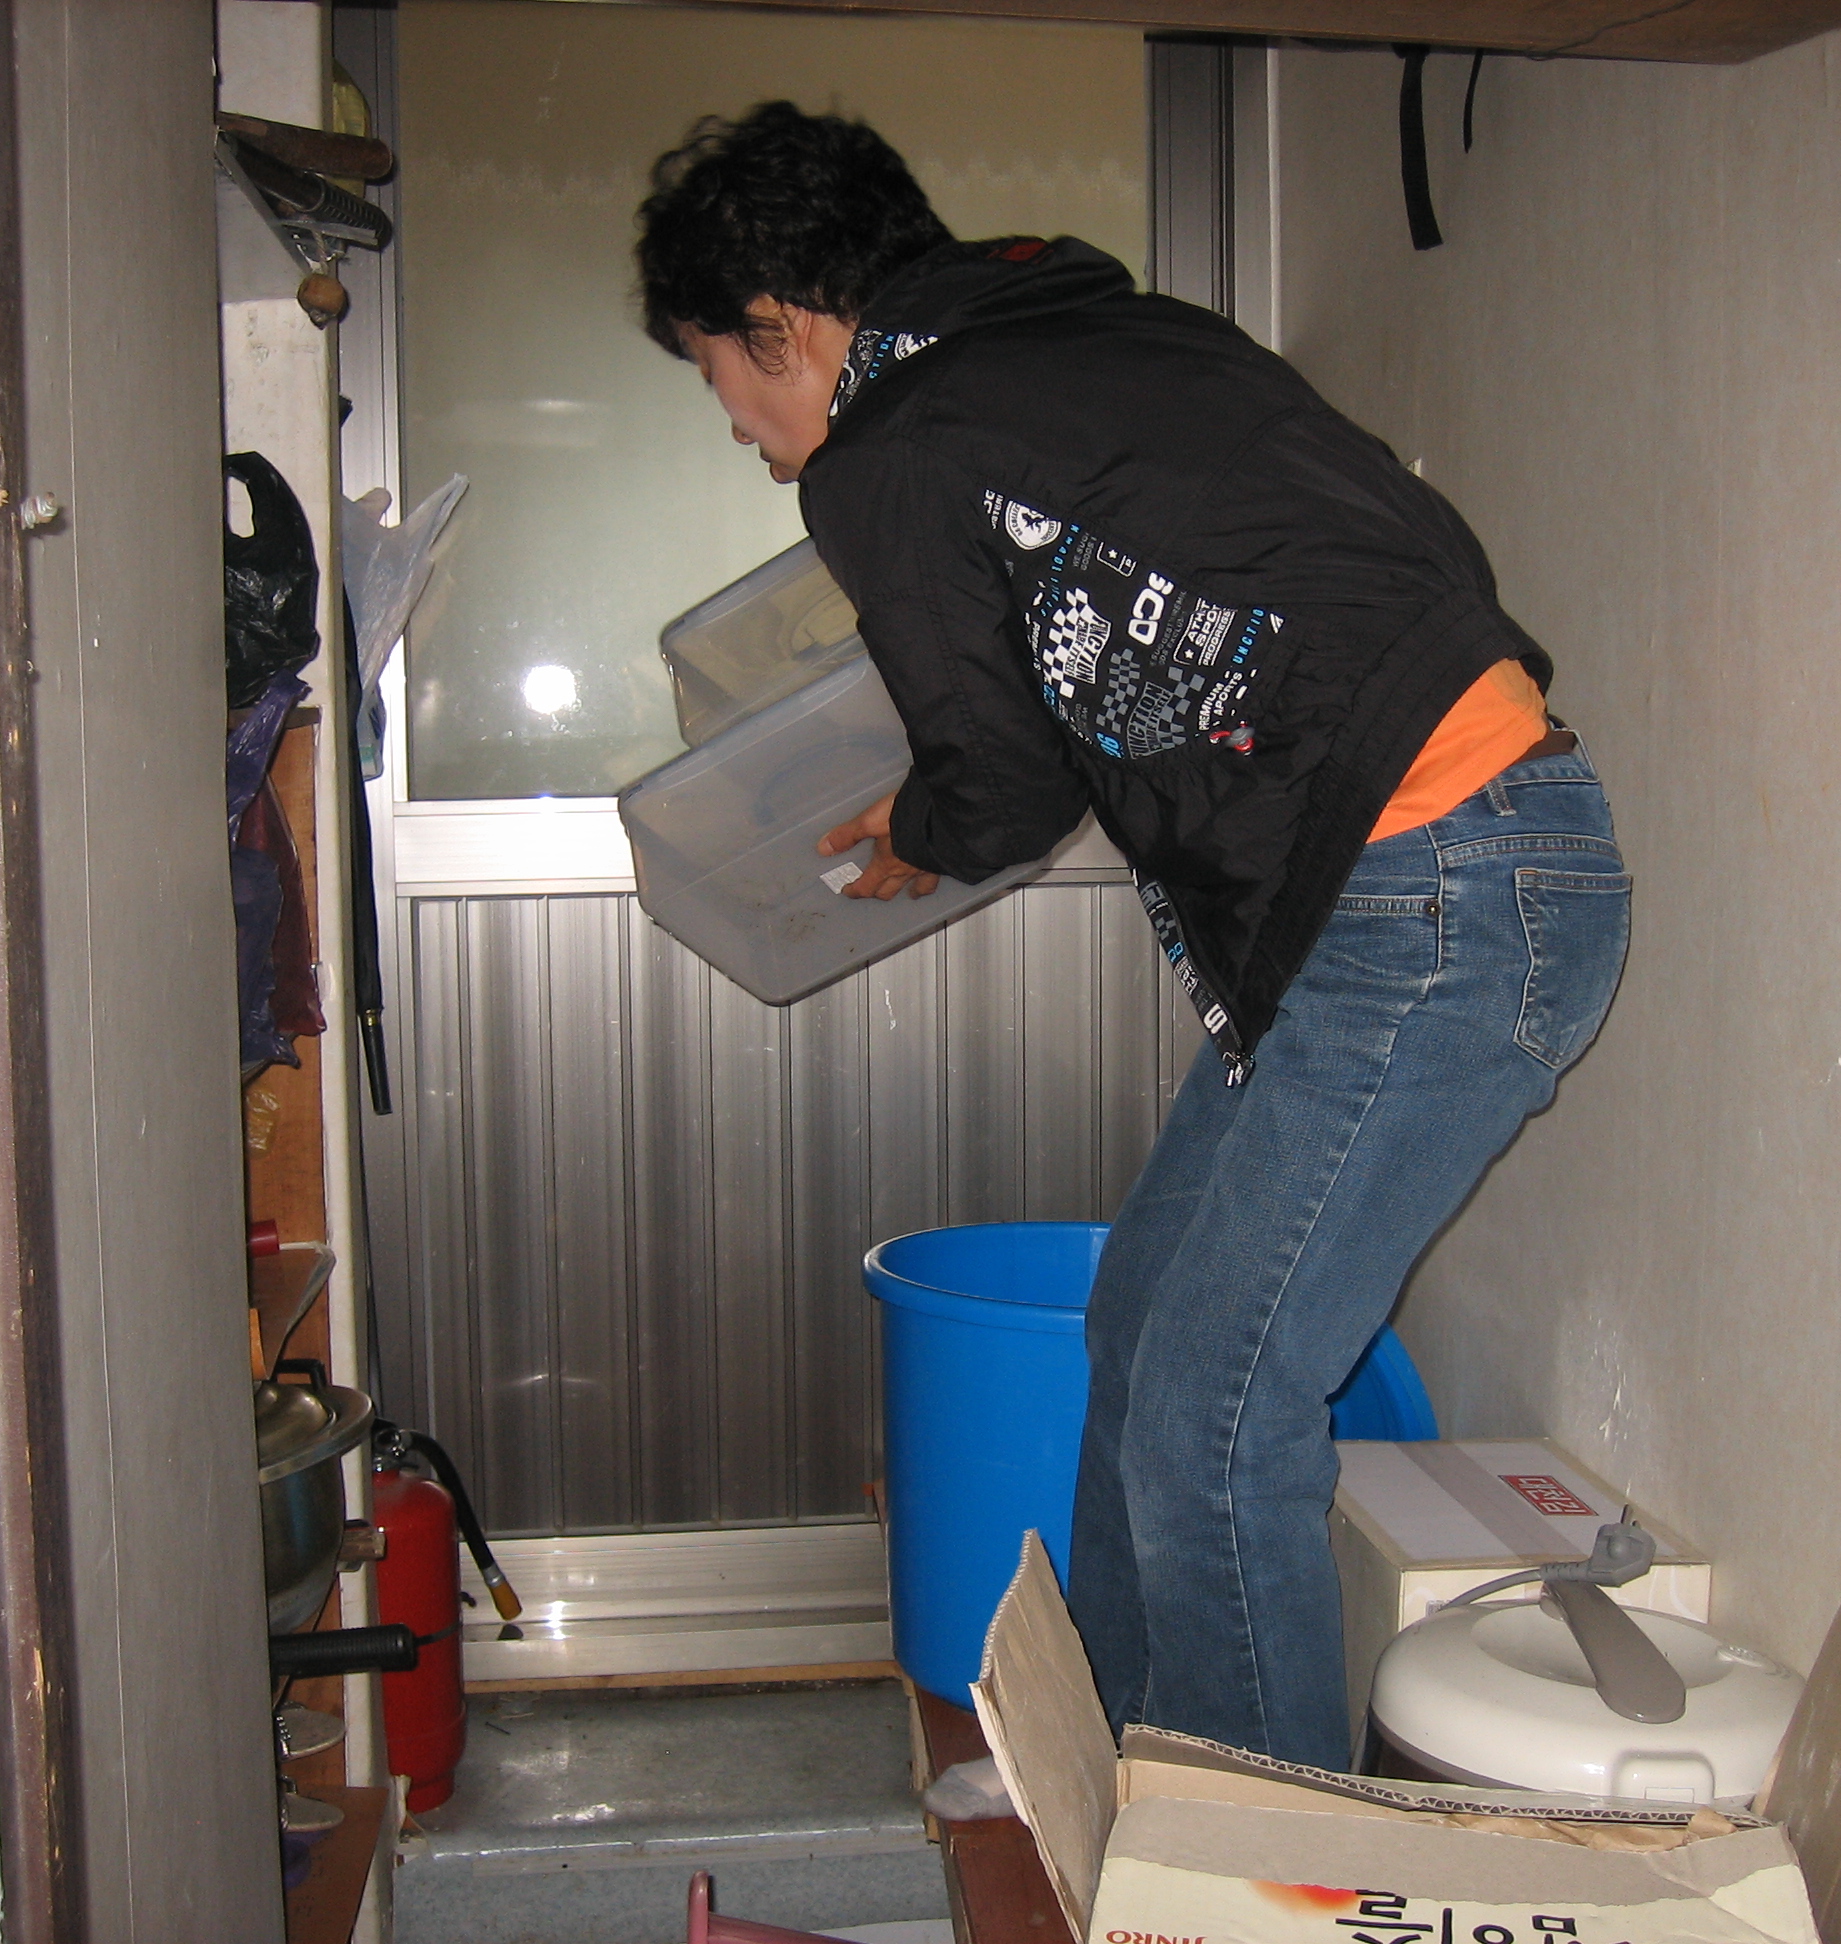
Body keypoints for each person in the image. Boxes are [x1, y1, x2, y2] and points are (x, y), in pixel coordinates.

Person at [636, 102, 1630, 1772]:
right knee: (1147, 1327)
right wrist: (949, 790)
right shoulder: (1095, 327)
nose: (735, 422)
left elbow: (1004, 786)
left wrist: (920, 829)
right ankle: (1112, 1781)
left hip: (1427, 891)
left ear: (779, 324)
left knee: (1211, 1416)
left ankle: (1254, 1864)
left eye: (716, 374)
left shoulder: (891, 448)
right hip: (1442, 868)